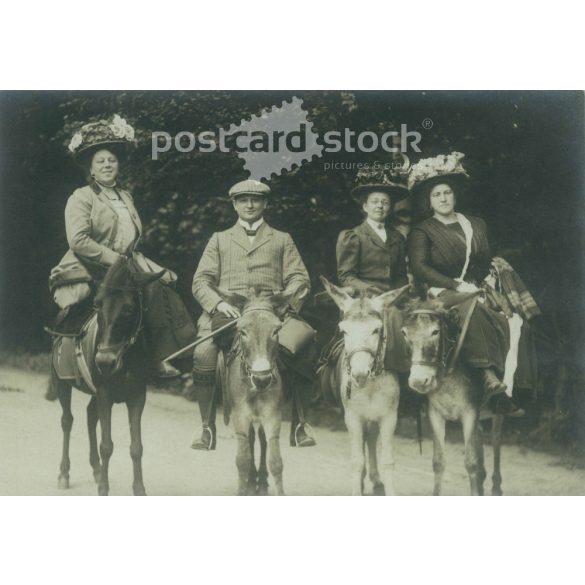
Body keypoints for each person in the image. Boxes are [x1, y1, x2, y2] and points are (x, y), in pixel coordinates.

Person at [49, 115, 196, 378]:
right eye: (100, 162)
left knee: (165, 289)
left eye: (111, 161)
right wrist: (116, 260)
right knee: (99, 300)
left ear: (118, 166)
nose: (107, 165)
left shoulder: (125, 196)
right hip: (88, 262)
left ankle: (161, 358)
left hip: (124, 263)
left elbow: (130, 246)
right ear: (90, 169)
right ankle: (66, 360)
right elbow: (78, 240)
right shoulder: (81, 197)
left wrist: (158, 269)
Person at [407, 152, 538, 415]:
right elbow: (420, 267)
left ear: (454, 195)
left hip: (476, 286)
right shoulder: (422, 230)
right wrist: (454, 285)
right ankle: (488, 375)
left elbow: (484, 256)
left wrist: (487, 279)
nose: (443, 198)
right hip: (441, 291)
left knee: (514, 321)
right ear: (428, 201)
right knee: (474, 311)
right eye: (436, 195)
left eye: (447, 193)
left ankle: (517, 388)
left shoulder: (476, 224)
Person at [191, 179, 317, 450]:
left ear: (265, 204)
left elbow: (299, 278)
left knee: (305, 345)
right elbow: (201, 281)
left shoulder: (282, 239)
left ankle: (300, 425)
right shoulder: (219, 239)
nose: (249, 204)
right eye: (243, 200)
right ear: (235, 205)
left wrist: (285, 303)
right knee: (203, 353)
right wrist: (217, 304)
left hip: (273, 311)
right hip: (230, 310)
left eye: (256, 199)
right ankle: (206, 428)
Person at [325, 166, 411, 376]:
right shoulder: (353, 236)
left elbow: (400, 274)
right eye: (374, 202)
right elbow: (346, 276)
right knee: (390, 321)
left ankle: (411, 382)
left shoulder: (397, 238)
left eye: (385, 202)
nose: (379, 206)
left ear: (390, 208)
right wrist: (369, 290)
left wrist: (402, 294)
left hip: (393, 298)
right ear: (365, 206)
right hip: (363, 300)